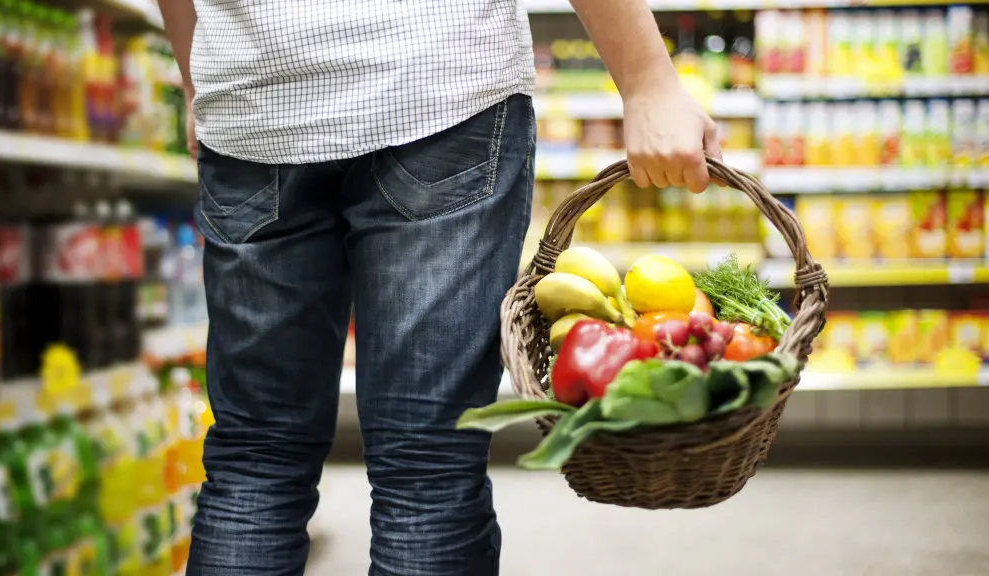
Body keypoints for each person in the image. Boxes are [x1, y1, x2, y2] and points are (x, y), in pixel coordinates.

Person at [159, 1, 722, 574]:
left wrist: (196, 78)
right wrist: (647, 82)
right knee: (426, 465)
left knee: (254, 459)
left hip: (251, 104)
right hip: (435, 85)